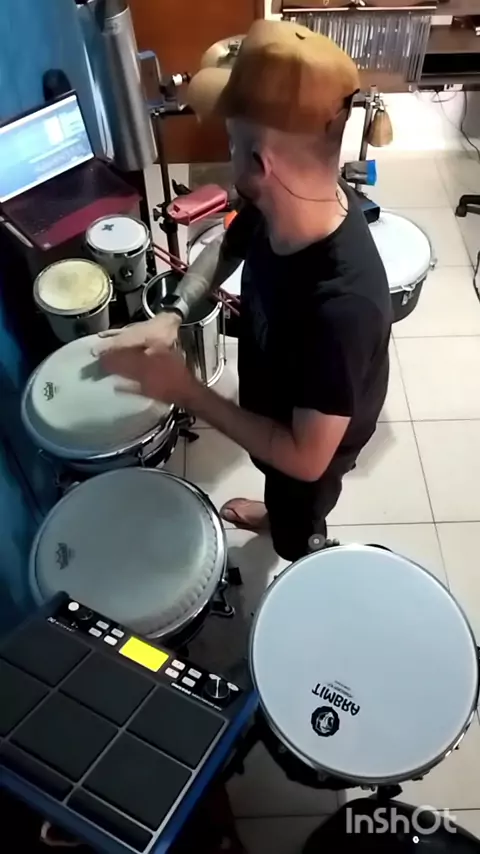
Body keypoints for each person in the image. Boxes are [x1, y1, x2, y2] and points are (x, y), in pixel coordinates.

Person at [98, 19, 392, 562]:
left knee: (296, 506)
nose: (227, 151)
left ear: (260, 163)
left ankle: (294, 537)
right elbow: (227, 245)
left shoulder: (341, 309)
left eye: (232, 142)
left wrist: (187, 391)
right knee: (275, 473)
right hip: (279, 397)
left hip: (312, 450)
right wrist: (173, 313)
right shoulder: (288, 197)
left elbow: (305, 457)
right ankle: (276, 509)